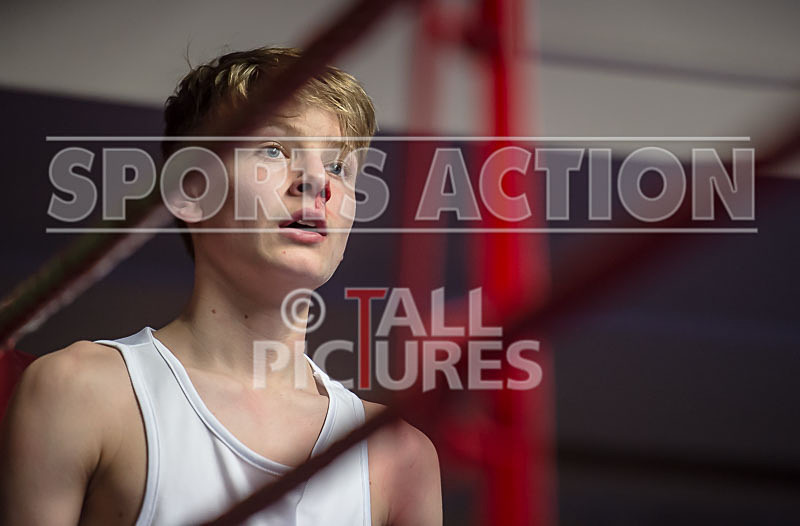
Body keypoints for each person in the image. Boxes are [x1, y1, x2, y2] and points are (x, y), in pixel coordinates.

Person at [0, 47, 442, 525]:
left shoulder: (399, 455)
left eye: (339, 166)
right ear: (190, 190)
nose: (317, 181)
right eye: (273, 149)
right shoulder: (77, 391)